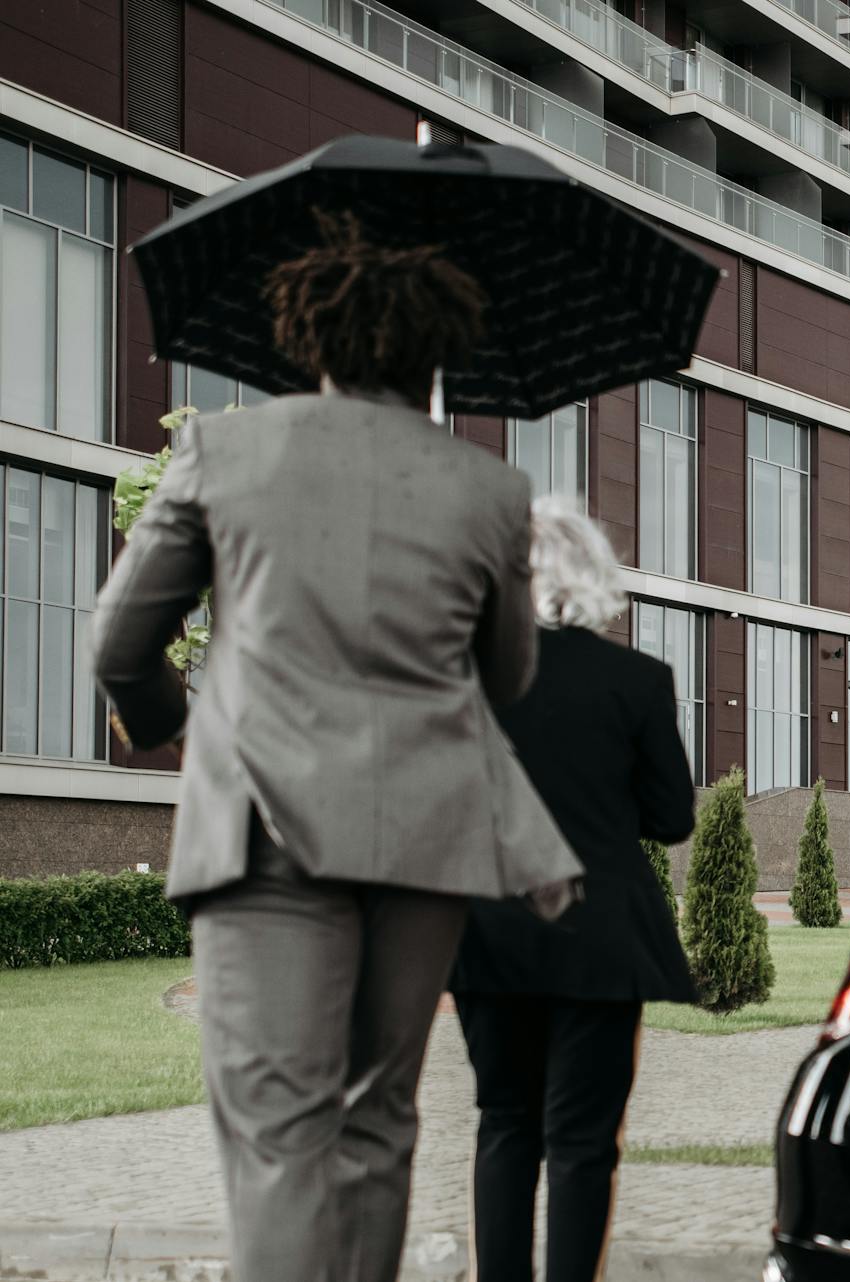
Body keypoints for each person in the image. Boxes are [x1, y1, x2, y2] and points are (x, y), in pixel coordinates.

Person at [91, 212, 582, 1282]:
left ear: (306, 339)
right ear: (434, 353)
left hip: (260, 836)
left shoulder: (223, 451)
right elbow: (504, 679)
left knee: (279, 1137)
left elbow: (117, 641)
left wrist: (174, 719)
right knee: (376, 1123)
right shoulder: (490, 492)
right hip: (421, 843)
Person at [449, 497, 697, 1282]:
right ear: (592, 578)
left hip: (490, 931)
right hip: (602, 938)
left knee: (504, 1124)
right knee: (584, 1141)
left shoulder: (463, 682)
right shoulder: (638, 680)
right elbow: (671, 819)